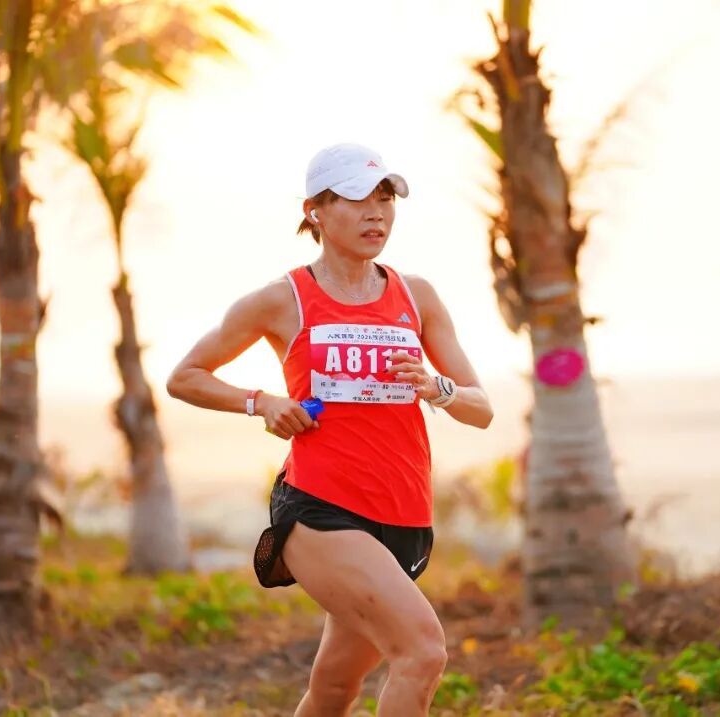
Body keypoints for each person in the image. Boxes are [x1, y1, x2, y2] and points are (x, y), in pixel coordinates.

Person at [166, 142, 493, 717]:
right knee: (422, 653)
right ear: (314, 210)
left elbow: (480, 408)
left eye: (385, 199)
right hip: (321, 508)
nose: (376, 213)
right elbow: (185, 377)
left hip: (404, 516)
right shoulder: (282, 299)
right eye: (356, 198)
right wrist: (261, 402)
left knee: (335, 688)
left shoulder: (416, 296)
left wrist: (434, 386)